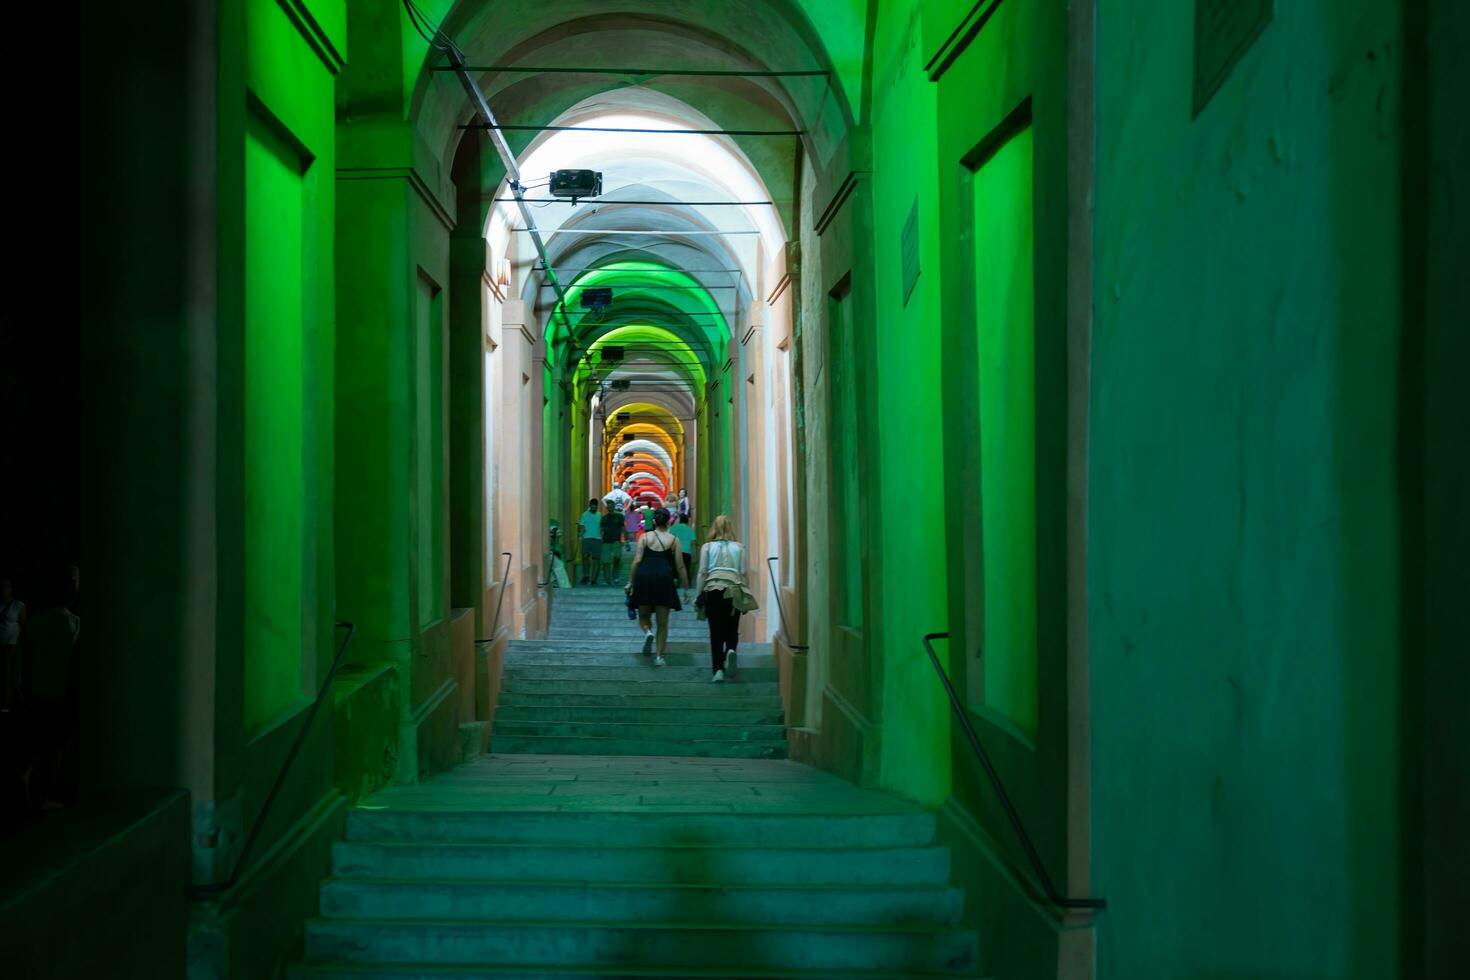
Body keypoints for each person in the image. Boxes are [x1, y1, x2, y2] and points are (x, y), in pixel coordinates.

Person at [625, 507, 690, 666]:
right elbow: (680, 566)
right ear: (669, 521)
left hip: (644, 578)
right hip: (664, 580)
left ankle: (647, 632)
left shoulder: (645, 538)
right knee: (663, 624)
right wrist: (687, 589)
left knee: (644, 615)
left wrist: (630, 582)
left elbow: (637, 560)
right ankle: (659, 657)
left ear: (654, 521)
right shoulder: (674, 540)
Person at [695, 514, 753, 683]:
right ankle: (731, 650)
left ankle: (718, 670)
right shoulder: (740, 547)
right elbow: (743, 572)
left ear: (714, 529)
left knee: (715, 631)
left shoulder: (706, 547)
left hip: (713, 589)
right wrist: (745, 594)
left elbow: (702, 572)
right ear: (730, 528)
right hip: (733, 588)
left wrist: (699, 595)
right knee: (732, 627)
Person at [1, 578, 25, 710]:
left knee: (8, 671)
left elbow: (24, 626)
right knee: (8, 673)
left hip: (13, 643)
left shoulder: (18, 605)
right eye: (2, 586)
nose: (4, 589)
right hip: (2, 643)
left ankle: (8, 701)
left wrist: (22, 645)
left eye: (7, 586)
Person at [599, 499, 627, 585]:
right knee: (606, 561)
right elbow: (601, 529)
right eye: (609, 506)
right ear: (607, 507)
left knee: (617, 557)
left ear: (614, 506)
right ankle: (608, 579)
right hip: (606, 541)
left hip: (616, 540)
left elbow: (623, 528)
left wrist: (625, 539)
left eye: (612, 506)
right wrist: (600, 539)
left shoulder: (619, 516)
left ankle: (615, 574)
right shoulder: (604, 518)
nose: (610, 508)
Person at [577, 498, 603, 585]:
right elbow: (581, 526)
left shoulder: (600, 515)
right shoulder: (584, 515)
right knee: (585, 558)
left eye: (595, 507)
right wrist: (580, 534)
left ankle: (594, 578)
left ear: (597, 507)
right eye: (592, 507)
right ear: (590, 506)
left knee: (596, 559)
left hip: (597, 539)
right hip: (587, 538)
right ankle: (586, 575)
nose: (594, 509)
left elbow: (602, 527)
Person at [670, 513, 696, 580]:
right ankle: (687, 583)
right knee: (686, 569)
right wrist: (693, 555)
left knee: (675, 569)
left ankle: (675, 582)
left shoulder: (673, 528)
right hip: (687, 553)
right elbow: (693, 542)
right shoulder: (690, 530)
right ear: (687, 521)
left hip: (675, 552)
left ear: (680, 521)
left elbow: (670, 540)